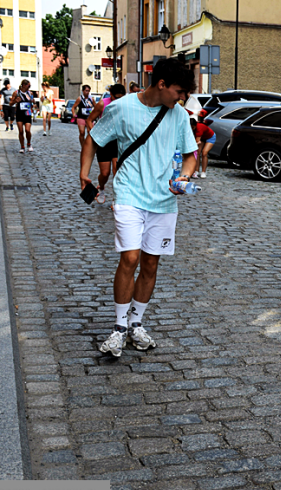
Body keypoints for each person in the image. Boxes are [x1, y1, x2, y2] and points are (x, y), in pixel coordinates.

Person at [80, 58, 198, 357]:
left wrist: (183, 177)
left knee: (150, 263)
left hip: (164, 200)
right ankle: (119, 328)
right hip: (130, 194)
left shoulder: (180, 115)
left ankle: (136, 323)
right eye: (179, 91)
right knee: (130, 258)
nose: (182, 97)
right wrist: (84, 173)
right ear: (161, 84)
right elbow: (93, 140)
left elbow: (190, 156)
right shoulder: (122, 108)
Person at [86, 83, 126, 201]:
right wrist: (96, 135)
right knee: (105, 173)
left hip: (117, 141)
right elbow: (89, 120)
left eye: (121, 97)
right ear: (111, 95)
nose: (118, 100)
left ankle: (116, 199)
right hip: (104, 142)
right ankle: (101, 187)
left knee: (116, 171)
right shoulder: (102, 103)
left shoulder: (125, 104)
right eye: (116, 97)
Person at [10, 80, 35, 153]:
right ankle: (22, 146)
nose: (29, 87)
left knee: (27, 130)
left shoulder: (30, 93)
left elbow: (33, 102)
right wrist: (15, 101)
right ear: (23, 85)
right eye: (28, 86)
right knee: (21, 131)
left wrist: (33, 104)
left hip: (28, 113)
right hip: (19, 113)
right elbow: (10, 103)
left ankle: (29, 143)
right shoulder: (16, 93)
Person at [194, 110, 215, 178]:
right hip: (202, 137)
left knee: (204, 153)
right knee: (197, 153)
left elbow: (197, 141)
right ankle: (196, 171)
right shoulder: (193, 128)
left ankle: (203, 171)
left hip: (210, 137)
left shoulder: (199, 129)